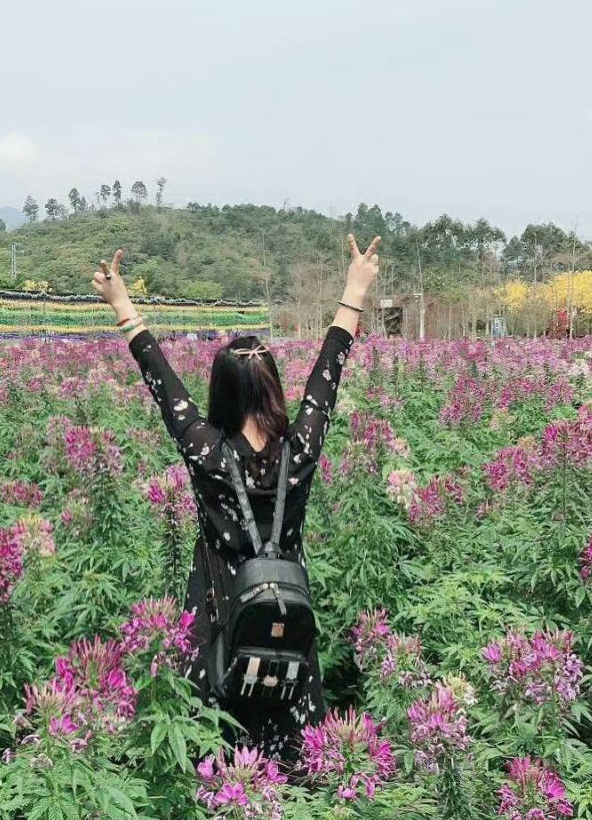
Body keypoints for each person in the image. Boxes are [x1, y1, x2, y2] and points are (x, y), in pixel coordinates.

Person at [92, 234, 380, 762]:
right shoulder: (302, 446)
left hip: (219, 621)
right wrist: (353, 290)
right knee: (296, 762)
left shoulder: (204, 449)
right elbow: (326, 377)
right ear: (274, 387)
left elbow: (163, 383)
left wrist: (123, 306)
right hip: (285, 620)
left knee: (215, 757)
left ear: (220, 392)